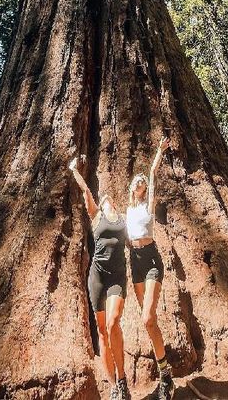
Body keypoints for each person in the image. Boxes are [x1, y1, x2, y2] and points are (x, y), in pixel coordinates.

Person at [69, 156, 130, 400]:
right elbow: (86, 190)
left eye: (107, 200)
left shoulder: (124, 221)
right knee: (103, 332)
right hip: (97, 278)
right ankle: (114, 386)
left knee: (114, 321)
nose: (104, 202)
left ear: (113, 203)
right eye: (101, 201)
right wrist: (75, 170)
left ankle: (123, 377)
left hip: (117, 278)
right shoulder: (96, 218)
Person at [127, 136, 175, 400]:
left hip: (152, 259)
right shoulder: (127, 211)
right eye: (137, 183)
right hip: (134, 261)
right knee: (149, 323)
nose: (141, 184)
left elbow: (153, 173)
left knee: (147, 317)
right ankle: (165, 370)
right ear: (131, 188)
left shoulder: (148, 205)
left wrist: (159, 151)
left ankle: (165, 374)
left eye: (143, 183)